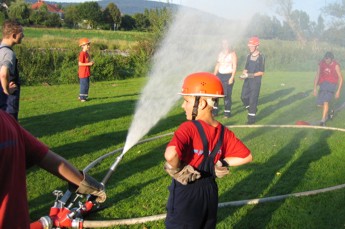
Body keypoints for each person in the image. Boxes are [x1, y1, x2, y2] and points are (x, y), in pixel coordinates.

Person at [164, 72, 252, 228]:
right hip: (210, 192)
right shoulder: (224, 132)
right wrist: (222, 162)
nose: (183, 106)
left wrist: (178, 169)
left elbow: (171, 154)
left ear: (202, 103)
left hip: (186, 194)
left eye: (186, 101)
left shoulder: (188, 127)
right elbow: (246, 156)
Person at [0, 109, 106, 228]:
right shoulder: (6, 121)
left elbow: (47, 158)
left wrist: (91, 187)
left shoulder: (6, 121)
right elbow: (49, 159)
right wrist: (89, 186)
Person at [0, 19, 24, 120]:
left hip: (2, 98)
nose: (23, 36)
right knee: (11, 123)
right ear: (14, 35)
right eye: (21, 33)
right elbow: (4, 74)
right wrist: (7, 90)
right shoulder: (8, 54)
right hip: (8, 99)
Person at [239, 36, 265, 124]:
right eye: (249, 45)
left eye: (252, 46)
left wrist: (249, 75)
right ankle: (252, 109)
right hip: (247, 80)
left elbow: (261, 72)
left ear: (257, 46)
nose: (249, 47)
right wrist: (243, 75)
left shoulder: (261, 57)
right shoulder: (248, 56)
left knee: (253, 100)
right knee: (243, 97)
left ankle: (251, 120)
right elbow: (246, 68)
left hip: (255, 81)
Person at [313, 51, 343, 126]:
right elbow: (317, 75)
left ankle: (323, 121)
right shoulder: (321, 64)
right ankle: (330, 111)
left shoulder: (336, 65)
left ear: (332, 59)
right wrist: (315, 88)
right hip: (323, 84)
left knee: (326, 101)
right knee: (319, 104)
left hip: (331, 85)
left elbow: (341, 78)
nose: (327, 61)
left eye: (328, 59)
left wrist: (338, 91)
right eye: (325, 59)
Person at [213, 39, 237, 118]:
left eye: (226, 43)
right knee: (216, 94)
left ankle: (227, 113)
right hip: (220, 75)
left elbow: (234, 66)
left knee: (226, 95)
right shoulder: (220, 54)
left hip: (228, 76)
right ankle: (214, 112)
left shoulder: (233, 54)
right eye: (223, 43)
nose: (224, 45)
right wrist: (214, 75)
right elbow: (217, 65)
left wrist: (232, 77)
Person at [78, 38, 94, 102]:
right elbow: (80, 64)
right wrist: (89, 63)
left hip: (86, 72)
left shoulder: (86, 53)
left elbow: (86, 62)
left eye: (89, 45)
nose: (89, 46)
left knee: (86, 84)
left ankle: (81, 96)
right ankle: (82, 98)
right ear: (83, 46)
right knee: (84, 85)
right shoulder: (82, 53)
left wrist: (90, 63)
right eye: (87, 45)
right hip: (83, 72)